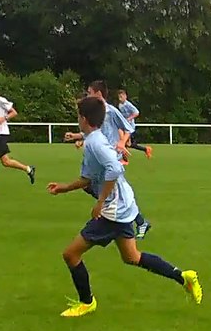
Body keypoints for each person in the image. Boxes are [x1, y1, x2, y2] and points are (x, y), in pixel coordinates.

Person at [48, 96, 201, 318]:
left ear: (83, 119)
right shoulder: (96, 139)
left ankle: (86, 302)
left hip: (113, 210)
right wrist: (64, 188)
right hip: (125, 205)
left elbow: (115, 170)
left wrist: (100, 202)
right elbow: (90, 177)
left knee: (70, 255)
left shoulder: (94, 143)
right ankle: (183, 277)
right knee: (132, 257)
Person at [64, 81, 151, 239]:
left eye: (89, 92)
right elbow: (96, 132)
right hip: (102, 156)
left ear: (98, 94)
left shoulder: (111, 111)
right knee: (95, 186)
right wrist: (77, 136)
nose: (87, 95)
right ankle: (132, 219)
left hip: (110, 158)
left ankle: (137, 221)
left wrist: (122, 142)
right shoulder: (95, 113)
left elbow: (129, 128)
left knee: (111, 190)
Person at [0, 81, 36, 194]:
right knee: (6, 162)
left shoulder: (1, 100)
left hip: (2, 133)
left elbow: (14, 112)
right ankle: (28, 169)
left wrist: (4, 118)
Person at [117, 89, 153, 159]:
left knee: (127, 143)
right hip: (124, 126)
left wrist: (128, 119)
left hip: (130, 127)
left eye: (121, 97)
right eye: (119, 97)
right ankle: (145, 149)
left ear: (125, 96)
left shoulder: (128, 105)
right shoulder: (120, 105)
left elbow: (136, 113)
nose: (120, 99)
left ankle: (125, 158)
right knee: (126, 143)